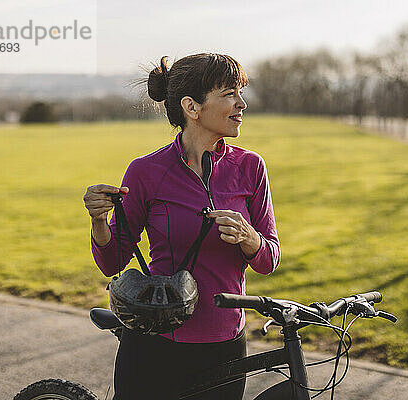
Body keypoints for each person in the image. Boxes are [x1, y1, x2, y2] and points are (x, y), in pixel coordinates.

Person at [83, 53, 281, 399]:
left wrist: (251, 239)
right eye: (229, 94)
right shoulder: (146, 171)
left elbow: (269, 260)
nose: (242, 104)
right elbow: (112, 261)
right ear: (192, 107)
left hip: (225, 343)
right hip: (155, 341)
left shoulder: (250, 167)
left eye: (240, 92)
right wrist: (100, 222)